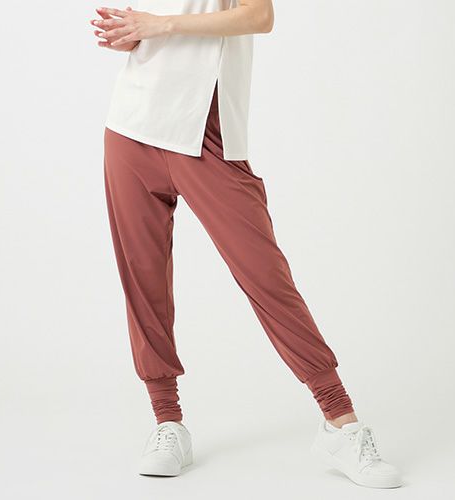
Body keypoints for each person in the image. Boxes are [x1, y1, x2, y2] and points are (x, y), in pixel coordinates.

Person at [90, 0, 402, 488]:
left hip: (208, 136)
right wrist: (133, 34)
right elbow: (151, 25)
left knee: (266, 279)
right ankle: (167, 421)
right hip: (132, 125)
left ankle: (340, 422)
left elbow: (260, 16)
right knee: (143, 277)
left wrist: (161, 25)